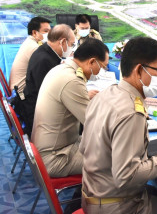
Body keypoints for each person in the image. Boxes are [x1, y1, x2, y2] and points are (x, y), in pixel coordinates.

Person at [80, 37, 157, 214]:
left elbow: (83, 147)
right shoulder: (131, 112)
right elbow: (127, 176)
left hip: (93, 196)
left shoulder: (105, 94)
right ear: (139, 70)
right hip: (118, 206)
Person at [31, 38, 109, 177]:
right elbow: (96, 124)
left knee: (104, 146)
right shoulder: (72, 80)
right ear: (91, 61)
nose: (102, 71)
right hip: (56, 158)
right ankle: (101, 197)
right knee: (119, 160)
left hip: (58, 146)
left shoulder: (62, 69)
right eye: (103, 67)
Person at [17, 24, 75, 137]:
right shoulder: (44, 60)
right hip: (37, 113)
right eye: (72, 45)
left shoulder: (46, 51)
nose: (72, 49)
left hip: (35, 103)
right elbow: (48, 95)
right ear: (62, 42)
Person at [9, 17, 51, 99]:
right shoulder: (34, 48)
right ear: (35, 32)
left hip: (19, 90)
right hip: (22, 95)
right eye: (46, 31)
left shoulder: (30, 42)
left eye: (50, 31)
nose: (49, 34)